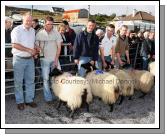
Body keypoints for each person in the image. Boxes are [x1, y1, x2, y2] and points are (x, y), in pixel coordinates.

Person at [11, 12, 38, 110]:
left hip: (30, 59)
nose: (29, 22)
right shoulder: (16, 30)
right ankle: (20, 101)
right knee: (18, 82)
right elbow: (14, 45)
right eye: (27, 20)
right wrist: (29, 50)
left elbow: (32, 43)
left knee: (30, 81)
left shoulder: (32, 31)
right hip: (19, 60)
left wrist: (36, 47)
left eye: (30, 21)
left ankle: (29, 100)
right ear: (23, 20)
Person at [35, 16, 62, 104]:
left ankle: (59, 95)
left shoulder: (57, 33)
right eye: (48, 24)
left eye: (51, 24)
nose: (49, 26)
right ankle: (48, 98)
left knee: (56, 78)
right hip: (44, 60)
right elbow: (36, 44)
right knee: (46, 79)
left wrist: (56, 59)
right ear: (44, 24)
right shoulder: (40, 33)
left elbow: (59, 47)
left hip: (55, 59)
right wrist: (39, 49)